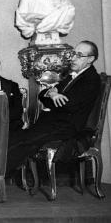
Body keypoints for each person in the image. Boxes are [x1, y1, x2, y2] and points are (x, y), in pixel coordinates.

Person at [6, 40, 101, 177]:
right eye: (73, 54)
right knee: (17, 137)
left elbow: (68, 105)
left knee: (23, 140)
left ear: (90, 59)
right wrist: (53, 93)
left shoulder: (91, 79)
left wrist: (53, 94)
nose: (73, 58)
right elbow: (42, 96)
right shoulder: (71, 76)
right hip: (54, 123)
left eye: (79, 55)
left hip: (67, 128)